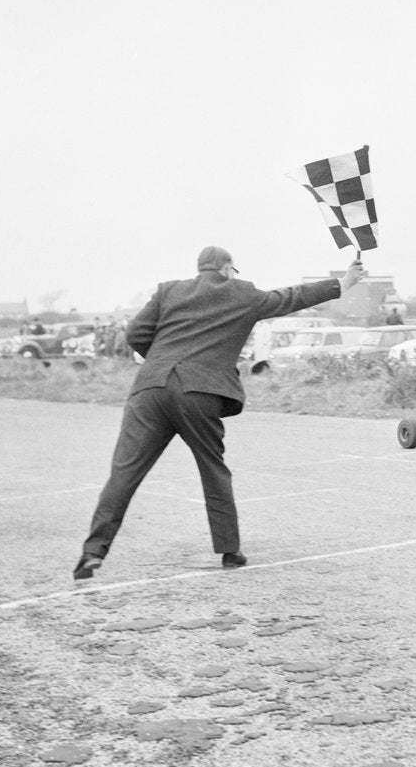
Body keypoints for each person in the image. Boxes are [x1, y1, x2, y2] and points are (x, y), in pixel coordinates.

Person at [72, 245, 365, 581]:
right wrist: (343, 283)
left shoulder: (169, 290)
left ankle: (92, 553)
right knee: (213, 470)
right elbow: (290, 297)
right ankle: (229, 551)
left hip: (150, 388)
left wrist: (163, 359)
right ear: (227, 268)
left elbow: (134, 334)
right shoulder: (242, 293)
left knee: (123, 473)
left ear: (200, 268)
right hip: (201, 392)